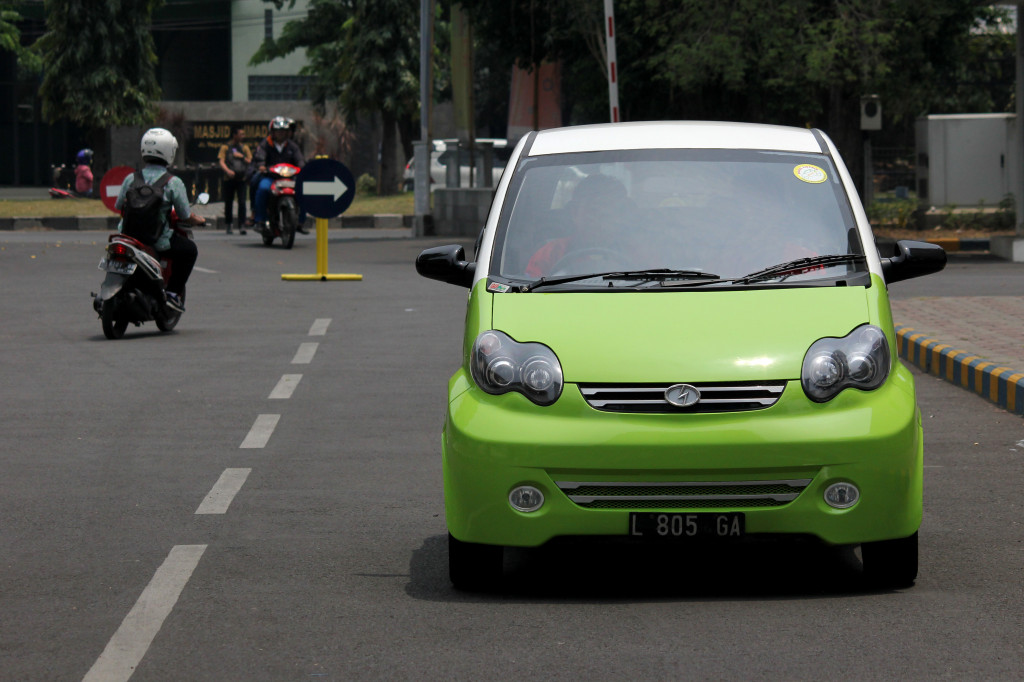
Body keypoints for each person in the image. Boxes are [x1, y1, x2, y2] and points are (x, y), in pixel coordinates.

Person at [114, 128, 206, 313]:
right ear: (169, 151)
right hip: (157, 240)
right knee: (189, 251)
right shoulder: (173, 182)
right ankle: (172, 294)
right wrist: (199, 220)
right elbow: (184, 214)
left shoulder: (131, 178)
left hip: (126, 236)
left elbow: (118, 205)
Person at [524, 173, 636, 278]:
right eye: (594, 211)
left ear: (622, 216)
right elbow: (529, 290)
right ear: (574, 212)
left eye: (610, 211)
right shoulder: (550, 253)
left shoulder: (637, 251)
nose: (600, 220)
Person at [250, 116, 307, 233]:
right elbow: (260, 158)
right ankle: (260, 220)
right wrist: (262, 167)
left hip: (289, 179)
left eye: (284, 131)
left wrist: (302, 167)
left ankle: (300, 221)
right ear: (272, 132)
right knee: (263, 188)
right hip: (271, 178)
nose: (281, 133)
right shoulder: (265, 144)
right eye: (278, 131)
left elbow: (300, 160)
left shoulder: (292, 146)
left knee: (303, 190)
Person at [217, 126, 251, 235]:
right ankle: (229, 224)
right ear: (234, 135)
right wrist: (227, 171)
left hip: (241, 179)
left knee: (242, 202)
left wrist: (241, 157)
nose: (242, 136)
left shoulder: (244, 148)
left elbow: (250, 161)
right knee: (228, 202)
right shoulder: (225, 147)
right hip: (229, 179)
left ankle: (242, 225)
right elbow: (221, 161)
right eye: (241, 134)